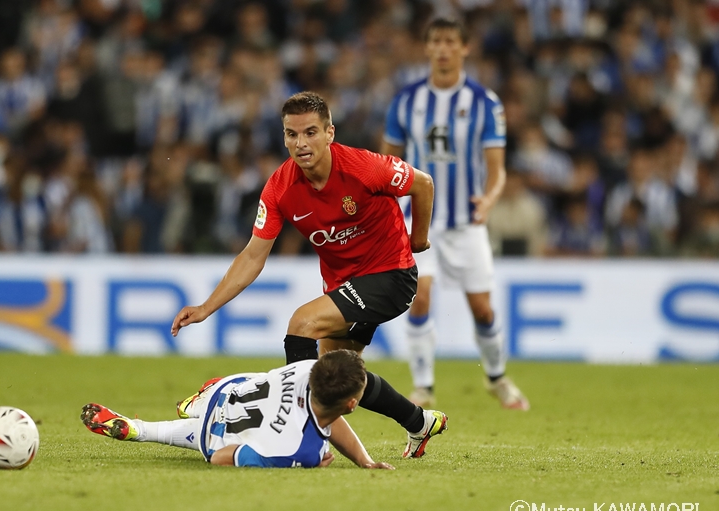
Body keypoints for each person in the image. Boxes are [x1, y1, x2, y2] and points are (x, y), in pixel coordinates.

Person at [171, 91, 447, 458]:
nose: (300, 143)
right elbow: (253, 255)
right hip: (344, 284)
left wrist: (420, 239)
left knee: (301, 323)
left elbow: (423, 184)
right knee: (335, 379)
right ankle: (418, 422)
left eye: (311, 132)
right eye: (291, 134)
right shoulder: (280, 188)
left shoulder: (365, 167)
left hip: (391, 275)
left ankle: (298, 435)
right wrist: (207, 307)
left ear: (330, 133)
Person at [381, 18, 530, 410]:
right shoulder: (405, 101)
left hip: (466, 222)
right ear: (427, 48)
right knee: (420, 297)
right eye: (436, 41)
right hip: (420, 220)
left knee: (482, 308)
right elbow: (387, 163)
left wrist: (490, 198)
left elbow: (496, 167)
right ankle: (423, 387)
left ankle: (496, 377)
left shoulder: (485, 102)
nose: (443, 48)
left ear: (465, 48)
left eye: (451, 41)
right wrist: (387, 209)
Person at [81, 349, 395, 469]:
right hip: (213, 436)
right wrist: (307, 462)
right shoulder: (301, 451)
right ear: (352, 403)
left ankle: (195, 403)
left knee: (250, 389)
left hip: (229, 389)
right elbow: (221, 458)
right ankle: (148, 430)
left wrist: (364, 461)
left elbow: (327, 415)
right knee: (226, 437)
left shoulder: (310, 369)